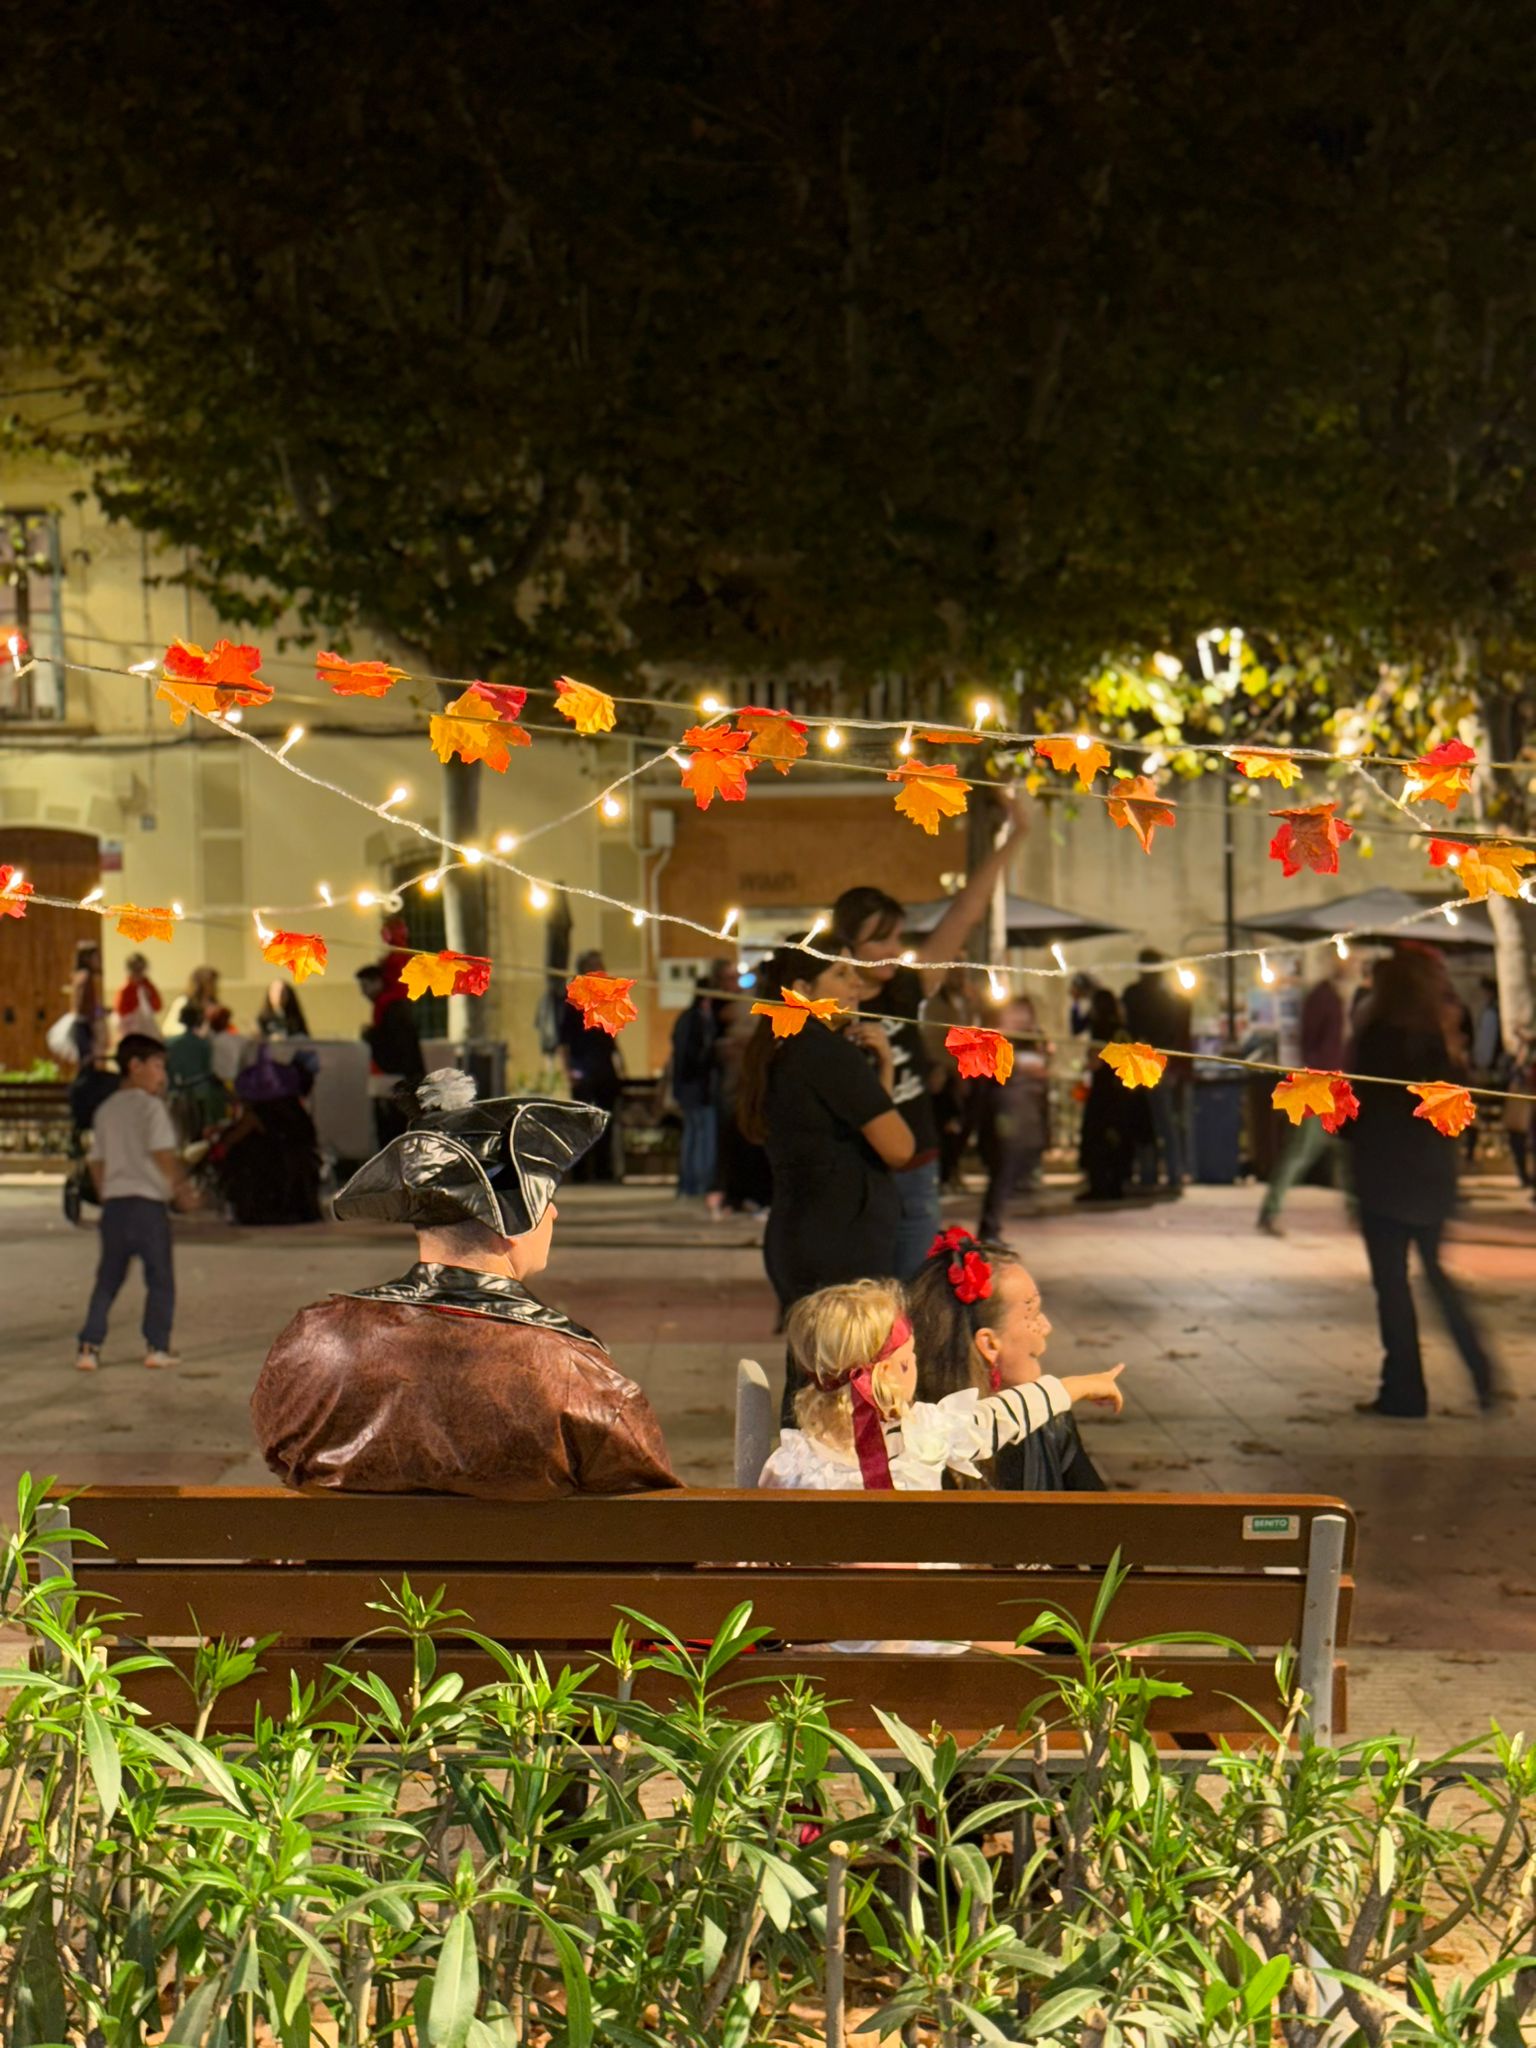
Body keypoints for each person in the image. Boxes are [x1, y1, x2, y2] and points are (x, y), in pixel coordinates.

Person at [252, 1071, 678, 1495]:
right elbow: (657, 1517)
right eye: (547, 1200)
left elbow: (279, 1449)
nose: (554, 1215)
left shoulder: (312, 1343)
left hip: (351, 1563)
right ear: (513, 1220)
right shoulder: (576, 1374)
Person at [830, 792, 1030, 1276]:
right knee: (871, 1298)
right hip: (862, 1172)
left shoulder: (902, 987)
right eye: (881, 940)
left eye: (898, 938)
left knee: (914, 1294)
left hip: (918, 1164)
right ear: (848, 945)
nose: (895, 951)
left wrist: (1015, 835)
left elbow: (965, 913)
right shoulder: (831, 1005)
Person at [738, 938, 914, 1418]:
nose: (856, 984)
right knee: (844, 1387)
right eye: (841, 974)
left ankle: (804, 1483)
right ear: (801, 990)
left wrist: (880, 1067)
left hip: (805, 1230)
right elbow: (898, 1147)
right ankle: (831, 1487)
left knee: (814, 1379)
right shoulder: (824, 1052)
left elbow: (858, 1126)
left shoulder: (783, 1048)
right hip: (841, 1237)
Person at [760, 1275, 1123, 1492]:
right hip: (928, 1608)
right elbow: (1003, 1415)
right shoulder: (928, 1434)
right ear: (892, 1372)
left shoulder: (790, 1462)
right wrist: (1079, 1385)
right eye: (909, 1356)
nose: (915, 1362)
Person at [1345, 950, 1498, 1417]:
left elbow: (1358, 1110)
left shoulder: (1375, 1038)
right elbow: (1455, 1113)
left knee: (1393, 1287)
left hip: (1384, 1177)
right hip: (1430, 1177)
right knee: (1436, 1276)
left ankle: (1404, 1389)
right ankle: (1481, 1370)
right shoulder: (1436, 1041)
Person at [908, 1229, 1107, 1491]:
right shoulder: (916, 1441)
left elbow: (1101, 1519)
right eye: (1032, 1313)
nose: (1046, 1326)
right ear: (989, 1344)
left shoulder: (1050, 1421)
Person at [75, 1033, 192, 1372]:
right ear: (135, 1066)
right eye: (157, 1066)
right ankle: (156, 1347)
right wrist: (180, 1189)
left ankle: (89, 1347)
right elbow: (163, 1154)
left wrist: (105, 1192)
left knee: (108, 1279)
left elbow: (96, 1161)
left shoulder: (106, 1110)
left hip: (115, 1206)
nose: (162, 1075)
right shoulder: (151, 1107)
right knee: (159, 1279)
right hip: (148, 1207)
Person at [1257, 950, 1355, 1236]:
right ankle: (1270, 1211)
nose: (1353, 965)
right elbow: (1312, 1043)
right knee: (1302, 1151)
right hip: (1319, 1085)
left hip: (1335, 1086)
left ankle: (1356, 1211)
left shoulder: (1337, 998)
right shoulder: (1323, 997)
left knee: (1344, 1152)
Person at [209, 1045, 323, 1225]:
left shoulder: (259, 1111)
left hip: (271, 1175)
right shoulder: (293, 1108)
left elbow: (236, 1135)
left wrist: (220, 1147)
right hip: (299, 1173)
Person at [977, 993, 1050, 1239]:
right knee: (1003, 1166)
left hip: (1026, 1109)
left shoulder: (1032, 1039)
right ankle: (989, 1228)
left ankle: (992, 1226)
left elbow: (1044, 1067)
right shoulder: (996, 1038)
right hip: (1005, 1109)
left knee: (1017, 1162)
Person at [1121, 950, 1192, 1194]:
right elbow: (1173, 1032)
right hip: (1160, 1062)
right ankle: (1173, 1173)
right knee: (1164, 1122)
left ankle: (1149, 1173)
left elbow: (1129, 1028)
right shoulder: (1169, 997)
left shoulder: (1133, 995)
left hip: (1139, 1062)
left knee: (1143, 1121)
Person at [1077, 988, 1151, 1201]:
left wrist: (1087, 1066)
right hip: (1126, 1092)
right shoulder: (1124, 1028)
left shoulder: (1101, 1028)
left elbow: (1095, 1062)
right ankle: (1117, 1184)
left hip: (1105, 1093)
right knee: (1120, 1140)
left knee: (1098, 1139)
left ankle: (1100, 1187)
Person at [558, 947, 622, 1183]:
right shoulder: (574, 1000)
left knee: (606, 1121)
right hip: (584, 1068)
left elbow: (611, 1036)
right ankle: (584, 1174)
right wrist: (568, 1070)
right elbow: (564, 1040)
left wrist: (619, 1062)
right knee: (585, 1123)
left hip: (604, 1069)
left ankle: (605, 1171)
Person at [924, 967, 981, 1189]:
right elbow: (936, 1039)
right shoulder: (936, 1005)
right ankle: (945, 1172)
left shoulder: (968, 1002)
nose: (960, 977)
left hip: (970, 1069)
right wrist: (949, 1069)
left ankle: (953, 1168)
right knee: (948, 1125)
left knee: (967, 1122)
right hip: (948, 1072)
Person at [357, 962, 425, 1148]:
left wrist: (370, 1035)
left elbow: (395, 1048)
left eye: (365, 986)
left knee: (395, 1134)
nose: (363, 992)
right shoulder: (388, 1006)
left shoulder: (390, 1007)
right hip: (400, 1078)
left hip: (398, 1080)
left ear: (377, 982)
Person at [671, 978, 720, 1198]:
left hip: (687, 1086)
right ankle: (699, 1184)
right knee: (702, 1136)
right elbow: (696, 1055)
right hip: (699, 1086)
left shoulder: (685, 1018)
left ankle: (687, 1184)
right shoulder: (699, 1020)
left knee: (691, 1135)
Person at [68, 941, 104, 1066]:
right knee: (87, 1061)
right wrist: (97, 1014)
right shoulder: (85, 977)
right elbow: (83, 1004)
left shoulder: (80, 976)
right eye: (95, 957)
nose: (98, 960)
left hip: (82, 1024)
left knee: (85, 1061)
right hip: (84, 1024)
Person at [113, 953, 163, 1042]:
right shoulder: (125, 990)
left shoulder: (148, 986)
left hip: (148, 1032)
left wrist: (149, 998)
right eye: (136, 970)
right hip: (130, 1033)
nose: (139, 973)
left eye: (141, 969)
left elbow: (158, 1006)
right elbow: (120, 1013)